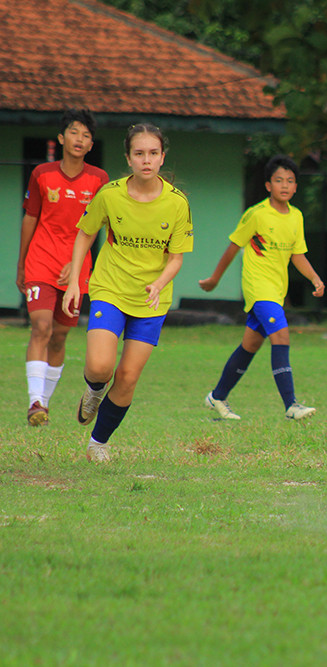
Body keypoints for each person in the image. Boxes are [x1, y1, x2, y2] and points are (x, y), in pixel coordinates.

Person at [62, 123, 193, 462]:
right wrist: (75, 280)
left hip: (152, 299)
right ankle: (93, 390)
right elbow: (85, 235)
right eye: (139, 153)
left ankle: (98, 443)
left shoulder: (177, 203)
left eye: (152, 153)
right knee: (101, 366)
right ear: (128, 158)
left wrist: (160, 283)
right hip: (110, 288)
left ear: (162, 158)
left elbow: (176, 258)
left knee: (128, 376)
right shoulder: (110, 194)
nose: (146, 160)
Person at [199, 155, 325, 421]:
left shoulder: (296, 217)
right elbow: (234, 246)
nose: (285, 185)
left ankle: (217, 397)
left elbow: (297, 255)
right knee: (281, 335)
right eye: (279, 180)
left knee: (249, 346)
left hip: (276, 292)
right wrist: (214, 279)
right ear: (268, 185)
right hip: (258, 289)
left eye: (290, 181)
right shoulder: (256, 214)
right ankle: (291, 405)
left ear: (296, 187)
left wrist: (314, 278)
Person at [17, 109, 109, 426]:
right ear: (61, 138)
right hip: (40, 261)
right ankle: (35, 402)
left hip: (77, 269)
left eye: (85, 135)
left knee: (59, 337)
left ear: (91, 144)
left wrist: (77, 261)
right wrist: (21, 264)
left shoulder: (99, 180)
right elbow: (30, 218)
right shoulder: (42, 174)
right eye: (74, 132)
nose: (79, 139)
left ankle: (44, 404)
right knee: (40, 327)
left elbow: (94, 226)